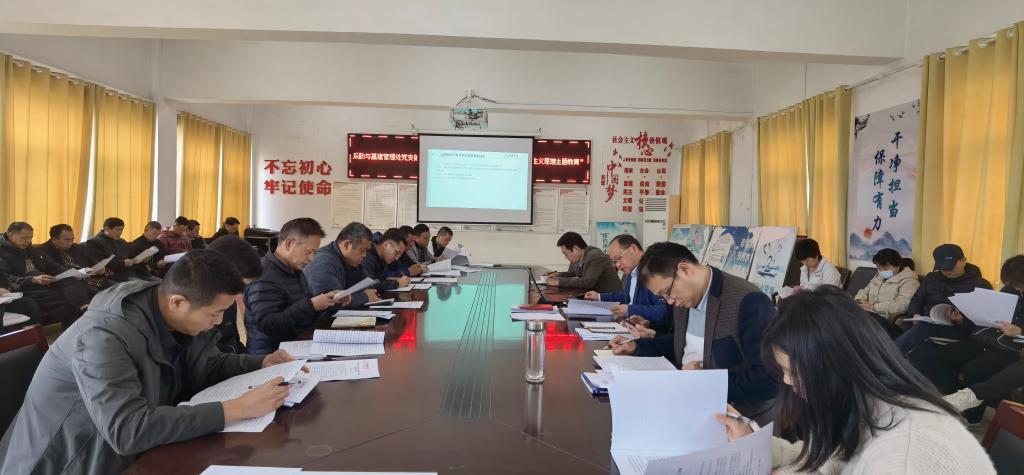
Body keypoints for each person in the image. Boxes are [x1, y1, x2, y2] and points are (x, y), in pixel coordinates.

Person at [0, 251, 301, 474]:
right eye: (214, 313)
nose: (219, 322)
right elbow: (127, 430)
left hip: (132, 455)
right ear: (178, 302)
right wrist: (236, 409)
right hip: (72, 462)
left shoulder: (173, 316)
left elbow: (207, 365)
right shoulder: (102, 336)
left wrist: (261, 363)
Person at [716, 286, 994, 474]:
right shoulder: (870, 405)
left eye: (791, 371)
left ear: (834, 362)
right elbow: (830, 459)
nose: (787, 381)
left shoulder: (905, 456)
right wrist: (752, 447)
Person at [609, 242, 776, 414]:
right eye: (663, 296)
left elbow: (770, 379)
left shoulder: (748, 301)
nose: (669, 301)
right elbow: (681, 344)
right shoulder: (684, 298)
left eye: (667, 292)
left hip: (735, 413)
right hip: (688, 400)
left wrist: (706, 381)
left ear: (685, 270)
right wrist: (637, 346)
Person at [911, 255, 1024, 424]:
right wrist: (965, 319)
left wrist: (1019, 331)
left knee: (975, 370)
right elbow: (990, 316)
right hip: (988, 338)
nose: (1017, 289)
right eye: (1013, 285)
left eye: (1019, 286)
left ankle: (971, 415)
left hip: (1010, 346)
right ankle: (949, 401)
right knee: (936, 357)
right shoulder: (1010, 291)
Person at [244, 218, 351, 354]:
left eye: (314, 253)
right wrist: (312, 305)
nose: (311, 258)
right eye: (308, 252)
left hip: (295, 345)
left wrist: (328, 298)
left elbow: (301, 310)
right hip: (270, 355)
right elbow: (270, 325)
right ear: (289, 243)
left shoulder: (293, 269)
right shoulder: (264, 276)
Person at [895, 244, 992, 353]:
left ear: (963, 261)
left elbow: (984, 319)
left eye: (951, 267)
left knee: (922, 329)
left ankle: (889, 355)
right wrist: (914, 314)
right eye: (943, 268)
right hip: (927, 323)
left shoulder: (980, 285)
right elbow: (916, 299)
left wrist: (961, 321)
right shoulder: (931, 278)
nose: (947, 271)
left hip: (958, 329)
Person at [0, 222, 88, 328]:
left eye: (30, 238)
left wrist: (74, 272)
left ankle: (84, 307)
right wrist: (32, 279)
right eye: (24, 238)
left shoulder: (30, 248)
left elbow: (51, 265)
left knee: (70, 279)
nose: (28, 241)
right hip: (24, 286)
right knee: (65, 300)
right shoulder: (2, 251)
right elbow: (6, 278)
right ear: (10, 235)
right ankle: (74, 328)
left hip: (42, 281)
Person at [582, 234, 669, 330]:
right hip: (630, 326)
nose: (618, 265)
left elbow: (663, 311)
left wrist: (629, 309)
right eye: (614, 261)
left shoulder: (654, 271)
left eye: (619, 258)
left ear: (634, 248)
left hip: (650, 331)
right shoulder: (632, 271)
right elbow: (626, 297)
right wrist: (599, 296)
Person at [207, 235, 263, 354]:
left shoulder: (228, 299)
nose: (239, 293)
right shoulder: (193, 307)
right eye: (237, 287)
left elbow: (233, 341)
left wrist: (258, 362)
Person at [305, 222, 380, 309]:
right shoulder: (323, 262)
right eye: (362, 250)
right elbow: (332, 302)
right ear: (346, 245)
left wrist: (363, 295)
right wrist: (364, 297)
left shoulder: (352, 260)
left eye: (367, 251)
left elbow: (368, 287)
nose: (364, 255)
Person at [854, 248, 920, 337]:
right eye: (879, 268)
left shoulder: (910, 281)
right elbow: (865, 290)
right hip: (870, 314)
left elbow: (901, 305)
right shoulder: (880, 276)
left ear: (897, 265)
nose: (881, 271)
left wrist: (873, 307)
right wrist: (859, 300)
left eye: (885, 268)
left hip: (887, 320)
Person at [33, 224, 117, 293]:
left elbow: (91, 259)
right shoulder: (42, 251)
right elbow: (55, 269)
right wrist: (82, 272)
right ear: (54, 239)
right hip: (74, 283)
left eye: (72, 239)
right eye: (66, 240)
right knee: (104, 296)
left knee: (120, 288)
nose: (70, 243)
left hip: (94, 279)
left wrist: (99, 267)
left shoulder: (76, 247)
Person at [545, 232, 621, 293]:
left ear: (575, 248)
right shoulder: (580, 257)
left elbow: (588, 282)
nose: (565, 257)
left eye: (566, 254)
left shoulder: (595, 256)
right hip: (594, 296)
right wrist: (557, 275)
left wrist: (559, 282)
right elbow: (574, 273)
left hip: (610, 299)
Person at [85, 217, 152, 282]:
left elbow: (130, 256)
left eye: (122, 230)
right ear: (107, 229)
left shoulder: (122, 241)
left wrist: (142, 260)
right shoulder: (94, 242)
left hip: (128, 274)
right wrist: (122, 263)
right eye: (117, 229)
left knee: (151, 284)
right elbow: (98, 264)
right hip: (108, 277)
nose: (120, 232)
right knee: (142, 285)